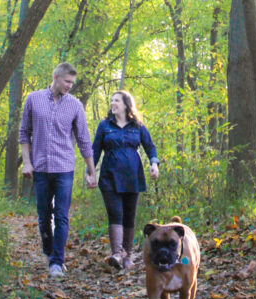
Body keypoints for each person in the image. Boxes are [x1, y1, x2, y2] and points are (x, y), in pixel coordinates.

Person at [20, 62, 97, 279]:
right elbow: (24, 133)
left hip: (64, 168)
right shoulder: (33, 100)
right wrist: (27, 162)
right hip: (41, 168)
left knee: (61, 215)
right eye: (67, 81)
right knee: (44, 216)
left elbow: (83, 140)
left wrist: (92, 171)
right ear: (55, 77)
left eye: (72, 82)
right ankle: (49, 251)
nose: (70, 86)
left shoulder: (75, 106)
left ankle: (57, 261)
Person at [91, 90, 159, 270]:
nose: (112, 103)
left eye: (116, 101)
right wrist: (90, 172)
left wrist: (154, 164)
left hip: (132, 177)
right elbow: (95, 151)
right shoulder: (104, 125)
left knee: (129, 215)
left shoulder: (137, 126)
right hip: (109, 176)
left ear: (126, 104)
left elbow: (150, 147)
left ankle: (127, 256)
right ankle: (116, 254)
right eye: (111, 100)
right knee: (115, 213)